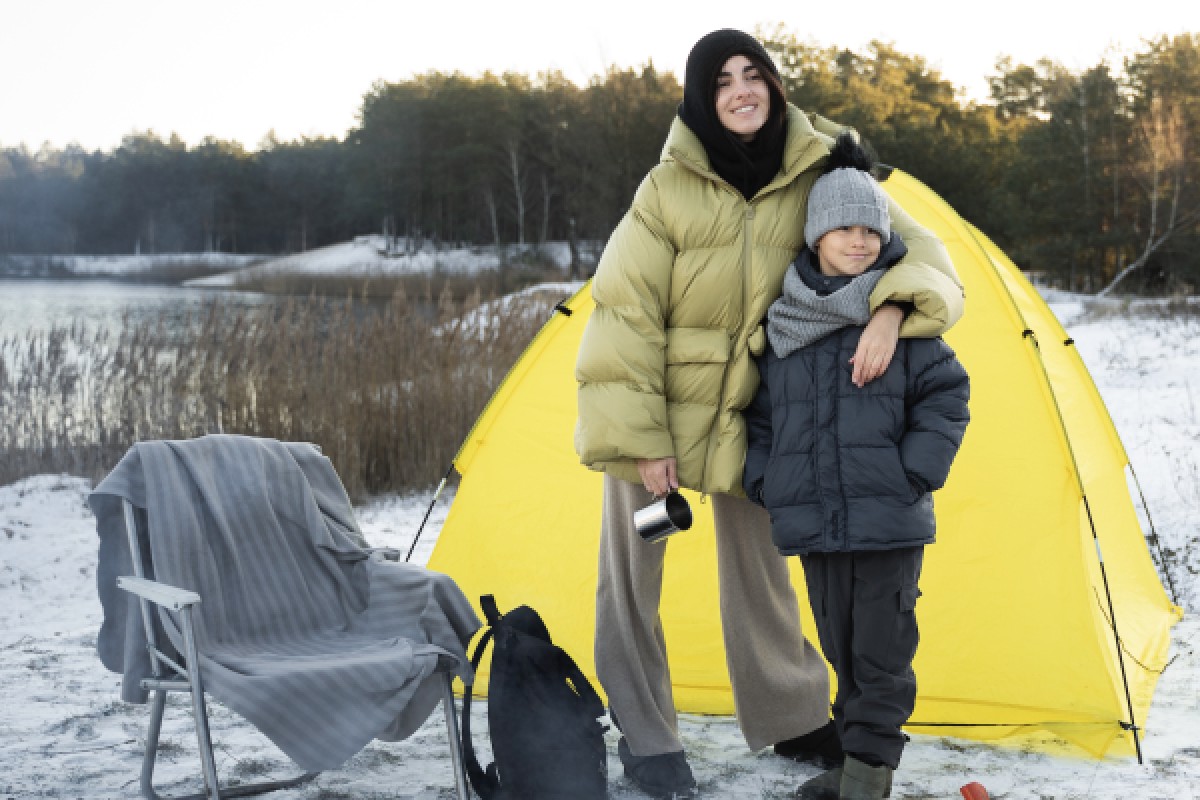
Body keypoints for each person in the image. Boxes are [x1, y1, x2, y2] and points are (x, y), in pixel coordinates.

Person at [574, 28, 965, 800]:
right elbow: (623, 316)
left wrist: (890, 309)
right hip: (660, 407)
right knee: (632, 575)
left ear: (775, 85)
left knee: (762, 573)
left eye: (753, 75)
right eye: (721, 82)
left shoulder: (827, 167)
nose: (741, 92)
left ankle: (790, 715)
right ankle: (648, 738)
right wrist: (645, 442)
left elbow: (929, 263)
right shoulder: (666, 189)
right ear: (701, 98)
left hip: (762, 414)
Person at [742, 132, 971, 799]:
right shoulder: (786, 331)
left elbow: (947, 394)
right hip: (813, 519)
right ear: (815, 237)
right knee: (839, 645)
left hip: (887, 518)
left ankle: (869, 778)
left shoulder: (901, 318)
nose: (860, 240)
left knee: (882, 651)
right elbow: (760, 418)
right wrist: (766, 480)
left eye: (870, 228)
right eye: (843, 227)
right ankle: (850, 762)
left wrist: (913, 473)